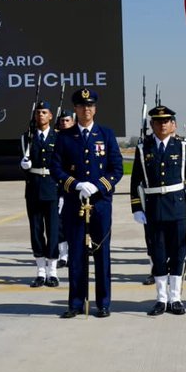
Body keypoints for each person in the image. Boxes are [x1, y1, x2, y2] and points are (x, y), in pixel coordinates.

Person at [50, 88, 123, 318]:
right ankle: (75, 303)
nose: (86, 109)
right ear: (75, 109)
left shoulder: (106, 134)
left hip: (100, 204)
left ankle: (103, 303)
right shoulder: (64, 137)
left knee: (102, 255)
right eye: (82, 106)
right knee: (77, 254)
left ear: (95, 108)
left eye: (90, 105)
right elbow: (56, 169)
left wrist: (99, 185)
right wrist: (75, 185)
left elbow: (116, 168)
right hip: (75, 202)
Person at [130, 104, 186, 316]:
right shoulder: (143, 148)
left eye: (166, 121)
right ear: (151, 124)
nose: (162, 125)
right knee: (158, 253)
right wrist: (136, 207)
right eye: (158, 121)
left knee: (178, 253)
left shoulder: (181, 147)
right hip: (153, 208)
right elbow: (136, 180)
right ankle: (161, 298)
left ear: (174, 125)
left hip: (178, 207)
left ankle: (176, 297)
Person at [19, 101, 58, 284]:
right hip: (33, 189)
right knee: (36, 230)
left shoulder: (58, 138)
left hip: (52, 188)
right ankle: (41, 271)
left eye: (44, 112)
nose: (40, 115)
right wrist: (24, 166)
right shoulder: (26, 138)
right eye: (38, 112)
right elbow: (24, 164)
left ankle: (53, 271)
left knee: (53, 230)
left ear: (50, 116)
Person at [54, 110, 75, 268]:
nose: (64, 123)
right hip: (58, 187)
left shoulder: (77, 139)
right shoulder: (54, 139)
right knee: (59, 223)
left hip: (75, 187)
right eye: (61, 121)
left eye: (67, 121)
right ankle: (63, 255)